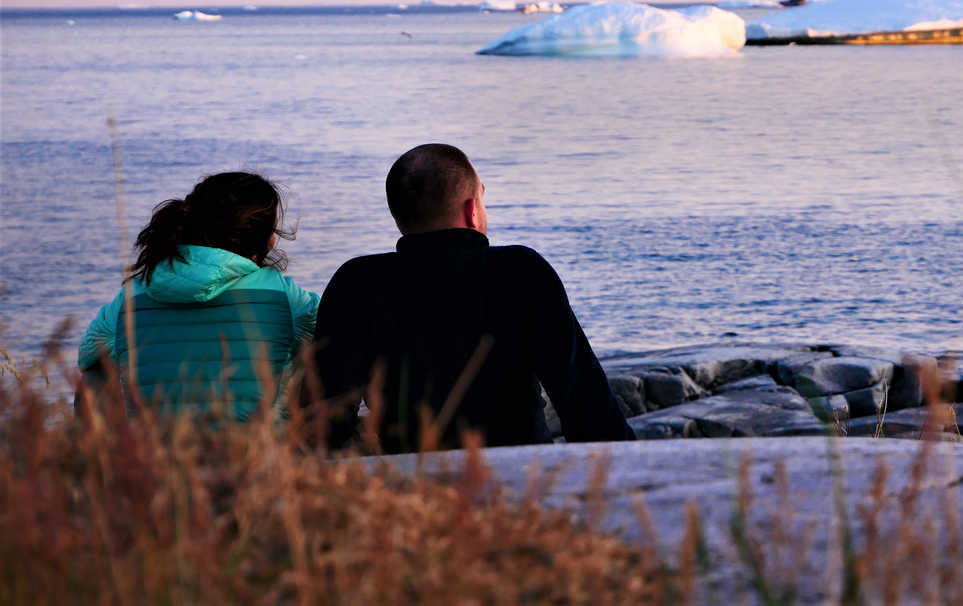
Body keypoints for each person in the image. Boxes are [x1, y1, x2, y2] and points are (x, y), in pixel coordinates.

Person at [306, 143, 634, 453]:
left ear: (399, 214)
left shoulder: (357, 281)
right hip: (517, 476)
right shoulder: (522, 271)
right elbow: (583, 397)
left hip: (410, 487)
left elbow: (325, 417)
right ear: (472, 210)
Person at [77, 172, 319, 420]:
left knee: (96, 368)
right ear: (264, 240)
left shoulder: (133, 293)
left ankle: (94, 452)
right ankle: (312, 438)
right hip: (252, 450)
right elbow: (334, 327)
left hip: (153, 452)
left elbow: (86, 353)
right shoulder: (283, 293)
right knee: (310, 346)